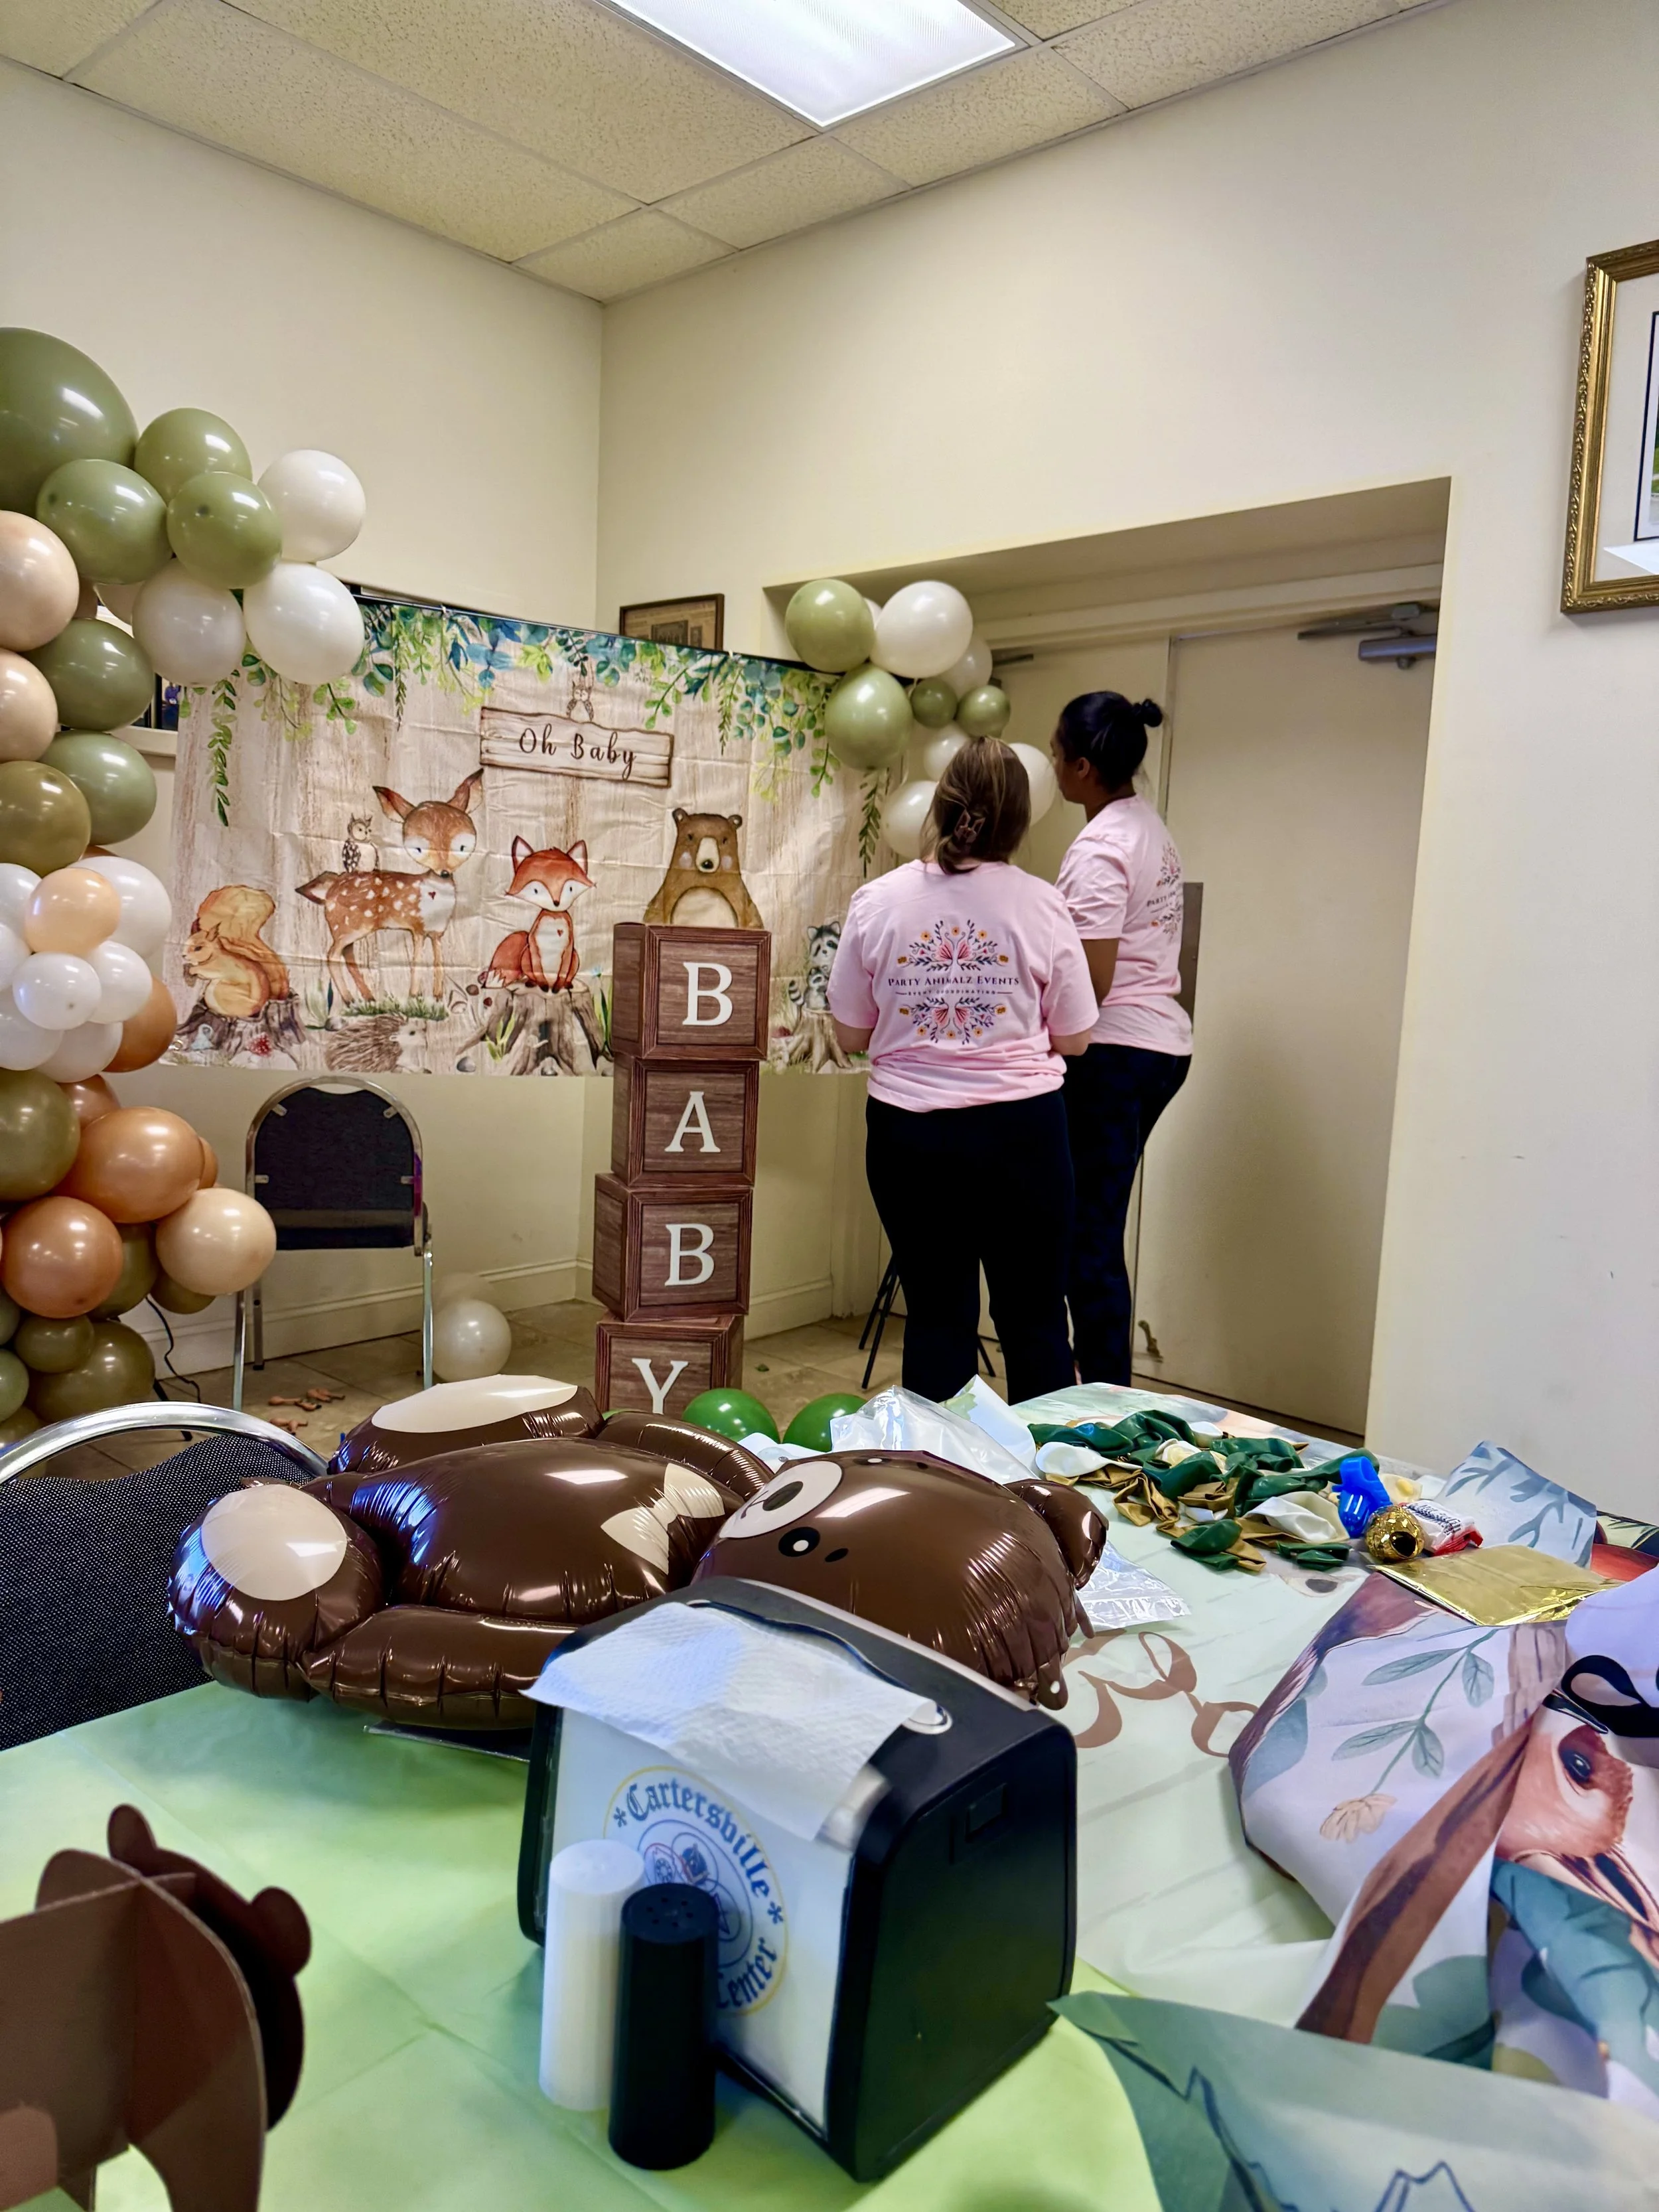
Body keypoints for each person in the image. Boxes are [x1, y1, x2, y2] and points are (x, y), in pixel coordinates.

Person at [829, 739, 1097, 1404]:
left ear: (941, 807)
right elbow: (1078, 1036)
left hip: (909, 1139)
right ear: (1016, 821)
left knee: (937, 1317)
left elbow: (850, 1031)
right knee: (1034, 1320)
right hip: (1022, 1137)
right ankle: (1045, 1498)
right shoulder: (1042, 905)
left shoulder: (876, 901)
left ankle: (941, 1497)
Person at [1051, 692, 1192, 1384]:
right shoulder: (1145, 825)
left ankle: (1103, 1398)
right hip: (1158, 1046)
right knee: (1092, 1231)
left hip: (1115, 1054)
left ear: (1080, 766)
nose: (1050, 762)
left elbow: (1092, 983)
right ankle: (1097, 1381)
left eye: (1054, 752)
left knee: (1088, 1240)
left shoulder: (1100, 847)